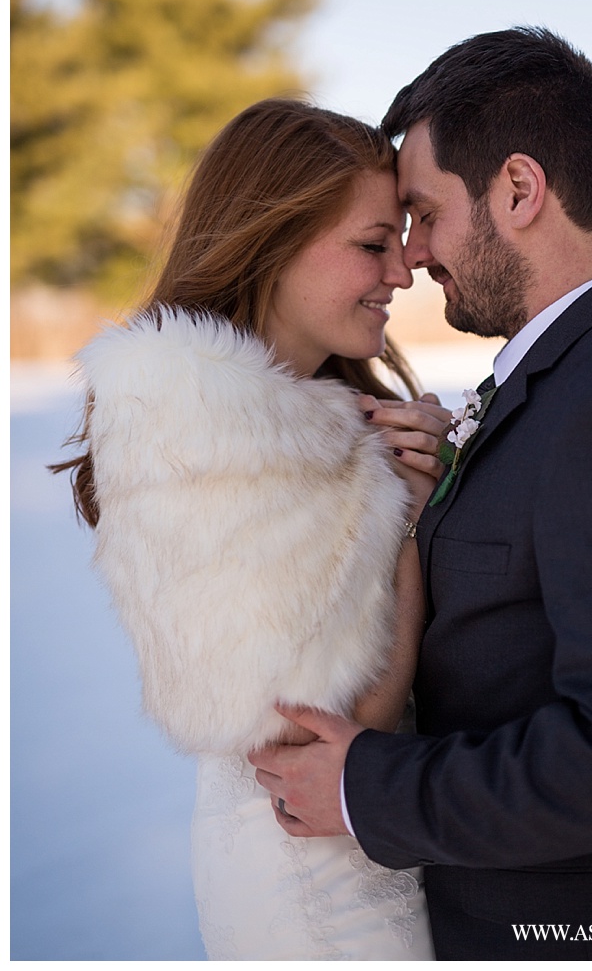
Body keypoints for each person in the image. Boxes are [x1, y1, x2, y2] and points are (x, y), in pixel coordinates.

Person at [249, 29, 592, 960]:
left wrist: (363, 788)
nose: (413, 256)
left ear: (518, 190)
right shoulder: (590, 372)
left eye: (423, 213)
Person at [54, 99, 449, 960]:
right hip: (317, 886)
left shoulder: (321, 422)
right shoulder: (195, 422)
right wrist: (411, 517)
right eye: (373, 244)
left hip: (367, 849)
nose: (403, 272)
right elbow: (326, 736)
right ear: (274, 242)